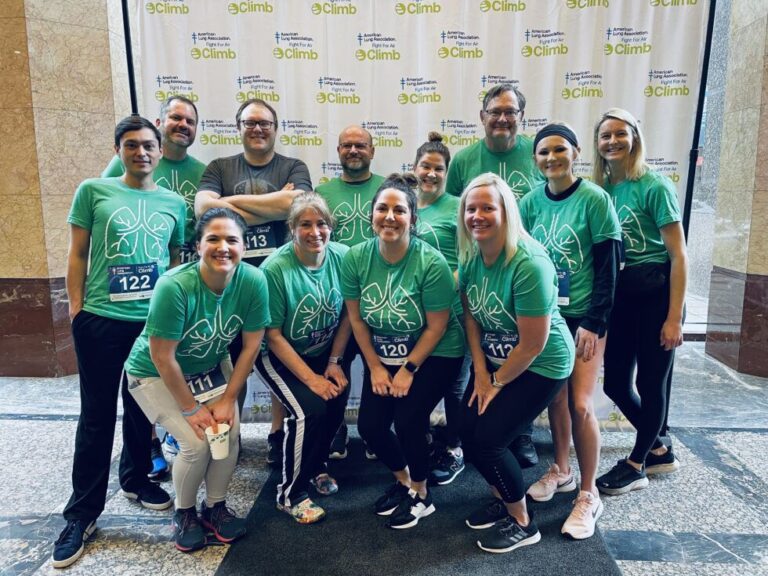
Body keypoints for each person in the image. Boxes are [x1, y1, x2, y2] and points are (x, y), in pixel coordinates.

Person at [52, 116, 186, 569]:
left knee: (142, 409)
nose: (141, 153)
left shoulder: (173, 203)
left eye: (148, 145)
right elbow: (77, 253)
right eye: (131, 145)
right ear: (118, 150)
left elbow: (173, 259)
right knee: (96, 416)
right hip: (101, 321)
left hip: (150, 325)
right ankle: (81, 514)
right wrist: (77, 308)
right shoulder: (94, 191)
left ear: (160, 151)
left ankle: (136, 477)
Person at [124, 207, 269, 552]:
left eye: (232, 239)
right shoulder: (174, 286)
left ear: (244, 246)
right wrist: (190, 409)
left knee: (226, 434)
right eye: (213, 239)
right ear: (198, 246)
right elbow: (162, 357)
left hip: (210, 367)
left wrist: (228, 399)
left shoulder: (253, 280)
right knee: (196, 442)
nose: (223, 247)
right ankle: (184, 513)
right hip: (154, 372)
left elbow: (251, 346)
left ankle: (215, 507)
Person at [458, 172, 575, 554]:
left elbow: (533, 345)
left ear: (506, 212)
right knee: (466, 427)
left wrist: (496, 383)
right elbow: (471, 317)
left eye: (487, 208)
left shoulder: (529, 263)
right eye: (471, 209)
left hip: (542, 363)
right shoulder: (473, 256)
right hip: (497, 361)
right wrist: (480, 372)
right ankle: (504, 498)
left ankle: (523, 522)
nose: (477, 216)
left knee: (490, 440)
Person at [340, 174, 465, 529]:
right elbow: (357, 320)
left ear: (412, 218)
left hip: (437, 351)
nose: (390, 217)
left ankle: (422, 496)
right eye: (382, 208)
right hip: (384, 352)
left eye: (399, 210)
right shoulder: (355, 258)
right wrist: (376, 368)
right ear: (372, 215)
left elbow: (437, 326)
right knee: (370, 426)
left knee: (409, 419)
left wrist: (408, 370)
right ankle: (406, 481)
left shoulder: (431, 262)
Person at [194, 98, 313, 468]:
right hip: (229, 283)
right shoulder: (219, 166)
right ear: (239, 127)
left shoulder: (294, 166)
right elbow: (203, 208)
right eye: (250, 123)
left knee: (276, 359)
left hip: (280, 280)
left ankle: (277, 434)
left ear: (276, 129)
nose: (258, 129)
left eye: (265, 123)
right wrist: (271, 203)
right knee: (233, 364)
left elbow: (296, 205)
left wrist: (227, 203)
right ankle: (232, 434)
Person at [518, 124, 621, 540]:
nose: (551, 158)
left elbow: (609, 267)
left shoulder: (594, 199)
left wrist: (595, 323)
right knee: (556, 400)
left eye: (559, 149)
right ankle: (561, 469)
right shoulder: (529, 203)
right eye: (543, 152)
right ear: (535, 159)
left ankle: (588, 493)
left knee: (580, 404)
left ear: (576, 152)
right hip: (548, 318)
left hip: (584, 319)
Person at [102, 95, 206, 480]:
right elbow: (105, 218)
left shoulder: (201, 172)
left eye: (189, 120)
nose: (182, 125)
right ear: (161, 124)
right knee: (130, 386)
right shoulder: (121, 166)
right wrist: (78, 305)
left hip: (172, 290)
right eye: (175, 117)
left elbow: (184, 242)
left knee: (164, 371)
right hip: (116, 301)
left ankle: (172, 438)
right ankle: (146, 452)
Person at [446, 83, 545, 466]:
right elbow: (458, 216)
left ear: (521, 117)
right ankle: (485, 425)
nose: (502, 118)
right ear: (482, 116)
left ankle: (522, 433)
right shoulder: (464, 160)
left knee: (524, 347)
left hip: (524, 273)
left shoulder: (536, 154)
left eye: (510, 112)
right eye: (495, 112)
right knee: (487, 348)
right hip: (483, 270)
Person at [593, 108, 688, 495]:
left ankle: (636, 464)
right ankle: (660, 449)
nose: (613, 141)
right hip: (621, 299)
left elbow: (679, 255)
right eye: (605, 136)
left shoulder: (655, 185)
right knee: (616, 384)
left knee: (651, 384)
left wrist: (674, 317)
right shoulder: (600, 191)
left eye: (620, 133)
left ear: (634, 137)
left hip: (655, 297)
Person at [254, 192, 352, 524]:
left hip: (322, 352)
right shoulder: (275, 269)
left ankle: (315, 466)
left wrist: (334, 362)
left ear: (331, 226)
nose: (314, 232)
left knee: (335, 403)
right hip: (277, 354)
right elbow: (273, 335)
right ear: (292, 228)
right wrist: (312, 380)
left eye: (321, 223)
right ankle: (290, 494)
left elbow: (349, 314)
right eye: (305, 225)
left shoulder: (343, 257)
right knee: (308, 409)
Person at [316, 125, 385, 460]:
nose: (353, 150)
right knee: (335, 365)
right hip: (335, 300)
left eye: (360, 145)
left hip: (380, 298)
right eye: (346, 145)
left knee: (378, 367)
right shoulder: (322, 192)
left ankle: (375, 431)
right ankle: (335, 430)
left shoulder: (386, 187)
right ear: (338, 151)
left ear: (372, 151)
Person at [412, 132, 466, 485]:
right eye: (425, 166)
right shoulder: (405, 204)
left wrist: (441, 292)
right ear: (414, 167)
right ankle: (423, 441)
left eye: (439, 168)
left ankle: (455, 448)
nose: (431, 174)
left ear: (447, 173)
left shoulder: (458, 207)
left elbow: (468, 257)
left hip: (453, 311)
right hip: (412, 315)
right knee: (419, 383)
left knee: (455, 386)